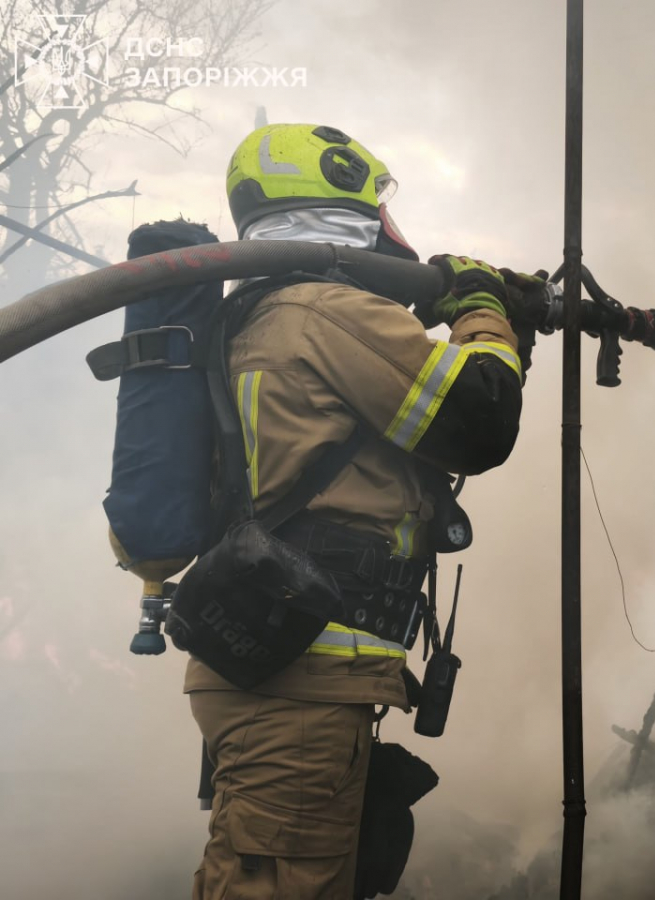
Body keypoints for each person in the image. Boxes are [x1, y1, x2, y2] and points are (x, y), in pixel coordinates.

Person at [186, 123, 530, 899]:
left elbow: (429, 427)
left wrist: (497, 329)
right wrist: (480, 304)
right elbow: (480, 420)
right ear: (338, 199)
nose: (392, 227)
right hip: (302, 676)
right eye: (377, 204)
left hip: (288, 662)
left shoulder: (262, 313)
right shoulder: (327, 310)